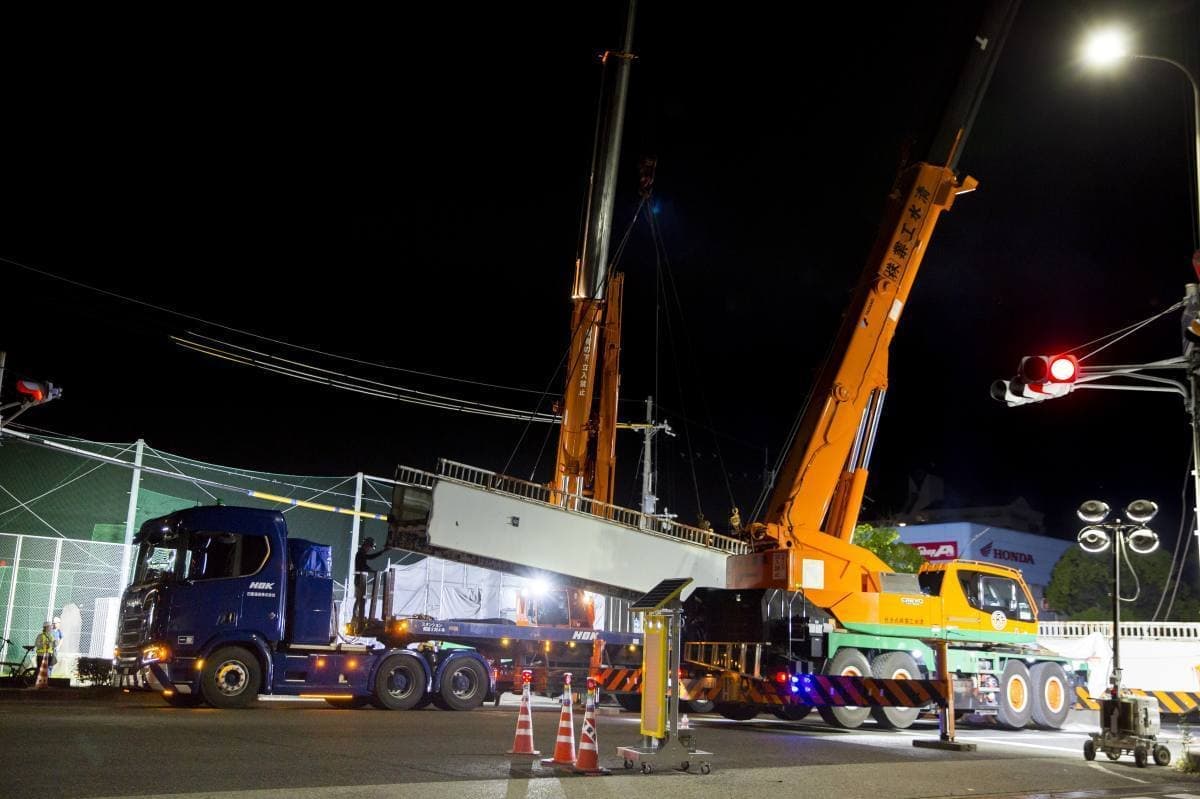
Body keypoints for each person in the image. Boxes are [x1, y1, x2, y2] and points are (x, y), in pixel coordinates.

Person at [353, 536, 385, 621]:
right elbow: (363, 566)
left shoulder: (361, 553)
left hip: (360, 579)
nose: (370, 550)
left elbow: (369, 557)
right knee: (360, 599)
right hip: (360, 579)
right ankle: (356, 617)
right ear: (367, 545)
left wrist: (381, 552)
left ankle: (357, 616)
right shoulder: (360, 553)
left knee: (361, 599)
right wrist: (373, 571)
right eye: (370, 547)